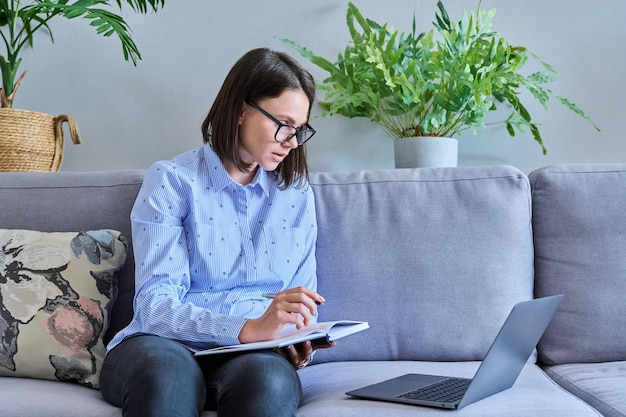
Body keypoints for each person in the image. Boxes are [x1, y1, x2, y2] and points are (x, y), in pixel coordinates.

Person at [100, 47, 332, 417]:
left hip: (251, 355)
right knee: (169, 376)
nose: (291, 141)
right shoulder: (173, 182)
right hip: (161, 346)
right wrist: (247, 328)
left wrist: (296, 338)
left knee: (269, 382)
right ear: (242, 110)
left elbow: (300, 299)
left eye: (299, 129)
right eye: (283, 124)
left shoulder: (296, 194)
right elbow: (155, 307)